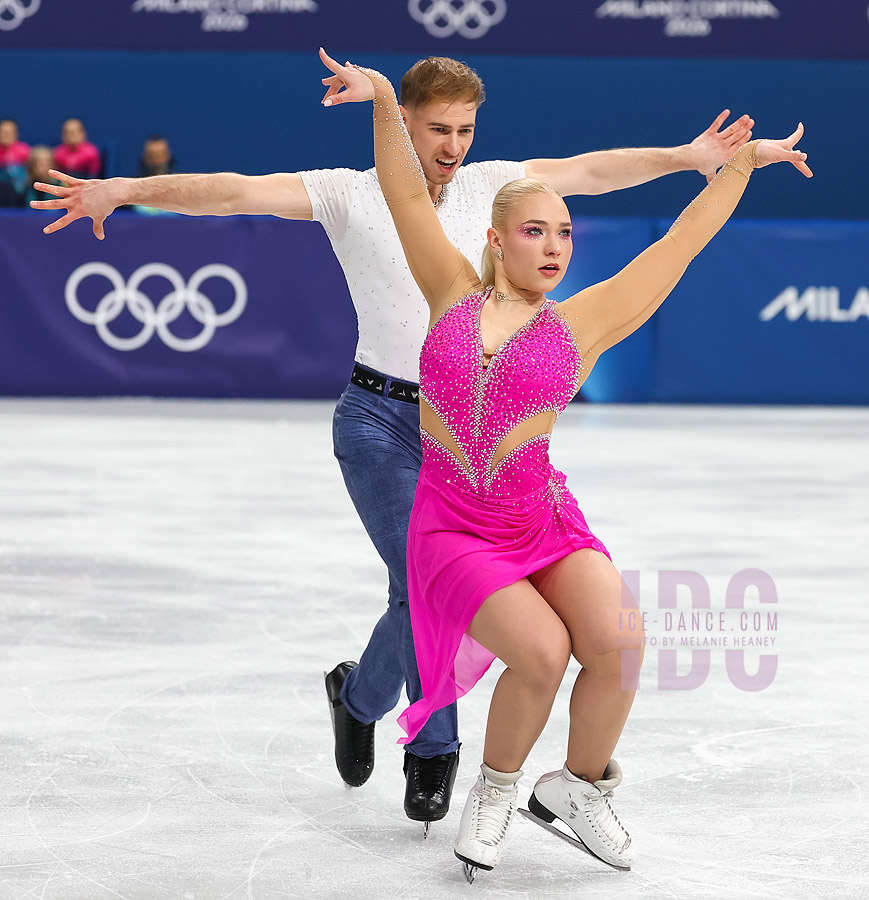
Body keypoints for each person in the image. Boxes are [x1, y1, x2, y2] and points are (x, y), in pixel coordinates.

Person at [31, 52, 755, 830]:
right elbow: (232, 193)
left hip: (477, 440)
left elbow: (589, 170)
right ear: (402, 120)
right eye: (437, 128)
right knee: (426, 588)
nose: (453, 145)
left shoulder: (495, 187)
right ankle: (433, 750)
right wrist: (127, 189)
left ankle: (358, 695)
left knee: (435, 592)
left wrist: (686, 160)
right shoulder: (350, 192)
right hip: (380, 421)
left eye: (465, 129)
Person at [318, 54, 810, 878]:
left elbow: (681, 244)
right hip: (452, 529)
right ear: (495, 239)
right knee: (541, 653)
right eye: (534, 231)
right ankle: (496, 790)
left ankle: (578, 790)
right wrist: (378, 100)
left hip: (538, 520)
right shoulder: (448, 291)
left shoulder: (582, 323)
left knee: (618, 640)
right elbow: (404, 192)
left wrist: (734, 171)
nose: (553, 246)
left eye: (565, 232)